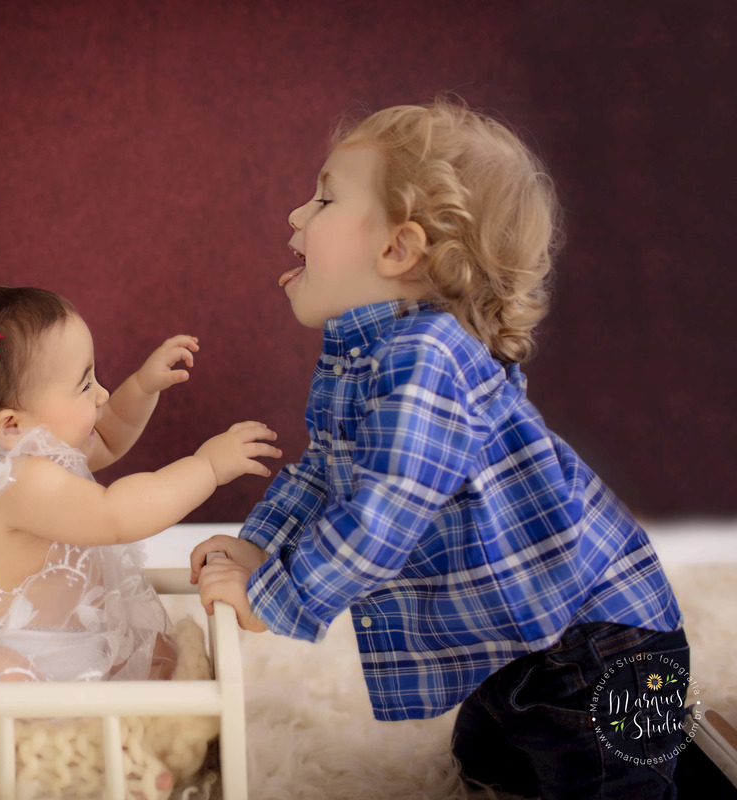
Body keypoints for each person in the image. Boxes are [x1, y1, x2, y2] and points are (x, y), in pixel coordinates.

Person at [189, 98, 700, 798]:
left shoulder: (426, 356)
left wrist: (279, 595)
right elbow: (324, 472)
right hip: (515, 643)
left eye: (324, 198)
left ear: (399, 248)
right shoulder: (367, 356)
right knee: (487, 765)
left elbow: (386, 509)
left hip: (597, 644)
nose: (295, 217)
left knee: (611, 784)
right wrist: (261, 545)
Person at [0, 285, 280, 684]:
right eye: (85, 384)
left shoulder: (39, 452)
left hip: (62, 643)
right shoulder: (12, 480)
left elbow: (110, 434)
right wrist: (207, 466)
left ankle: (138, 722)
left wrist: (142, 385)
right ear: (11, 426)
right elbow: (116, 514)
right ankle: (40, 736)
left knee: (159, 651)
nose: (101, 393)